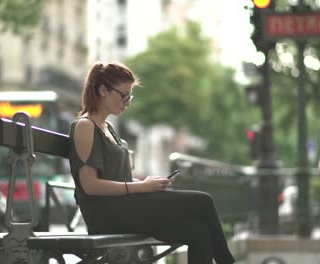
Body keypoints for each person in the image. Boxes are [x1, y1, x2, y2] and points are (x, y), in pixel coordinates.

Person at [68, 62, 235, 264]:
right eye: (124, 95)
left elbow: (118, 179)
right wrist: (142, 187)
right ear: (103, 90)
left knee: (198, 232)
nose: (128, 101)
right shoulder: (86, 126)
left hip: (124, 209)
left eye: (130, 96)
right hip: (107, 214)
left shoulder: (108, 127)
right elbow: (90, 186)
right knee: (203, 201)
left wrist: (146, 184)